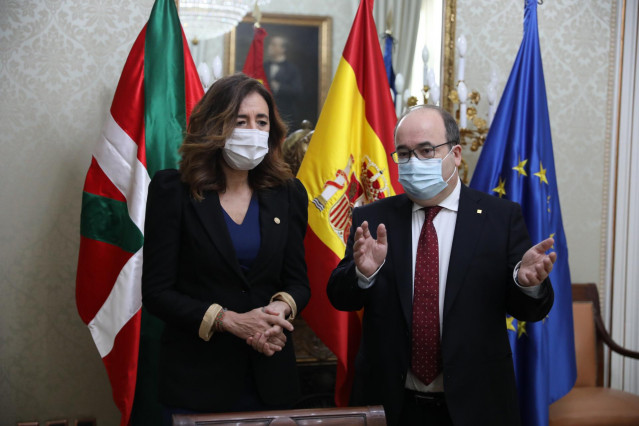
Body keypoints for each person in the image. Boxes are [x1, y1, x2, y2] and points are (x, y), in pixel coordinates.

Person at [327, 105, 556, 426]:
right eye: (404, 154)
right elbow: (339, 297)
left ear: (456, 154)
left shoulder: (500, 218)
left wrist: (527, 283)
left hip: (477, 404)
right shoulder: (373, 217)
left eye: (426, 150)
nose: (414, 162)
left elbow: (529, 311)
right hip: (391, 403)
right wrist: (363, 275)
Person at [142, 73, 310, 423]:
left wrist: (278, 314)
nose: (252, 130)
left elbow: (297, 282)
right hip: (196, 383)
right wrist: (228, 321)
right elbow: (156, 292)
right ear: (214, 126)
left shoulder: (289, 194)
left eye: (261, 121)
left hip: (270, 378)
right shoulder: (172, 191)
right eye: (240, 120)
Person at [264, 35, 303, 130]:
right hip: (265, 114)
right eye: (270, 44)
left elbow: (297, 91)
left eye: (273, 45)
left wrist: (279, 87)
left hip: (286, 116)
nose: (270, 47)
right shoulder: (263, 67)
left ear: (283, 49)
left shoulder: (292, 69)